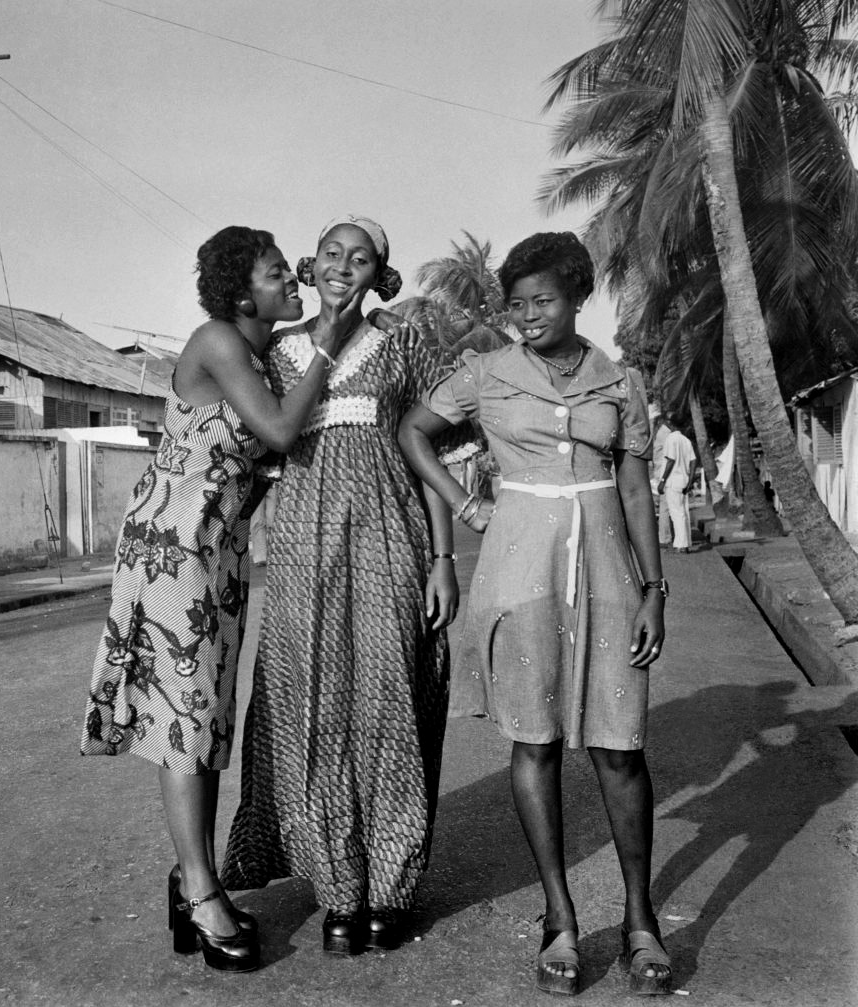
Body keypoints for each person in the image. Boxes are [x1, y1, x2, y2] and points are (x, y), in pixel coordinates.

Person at [79, 226, 365, 973]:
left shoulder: (254, 348)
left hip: (215, 546)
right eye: (278, 272)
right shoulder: (218, 340)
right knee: (185, 719)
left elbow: (297, 367)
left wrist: (351, 314)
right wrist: (330, 343)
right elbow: (276, 427)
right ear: (244, 293)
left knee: (203, 718)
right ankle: (200, 891)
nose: (294, 277)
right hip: (175, 546)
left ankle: (193, 881)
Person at [398, 232, 673, 997]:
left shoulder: (620, 382)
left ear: (578, 295)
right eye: (515, 303)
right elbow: (413, 430)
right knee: (537, 740)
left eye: (542, 300)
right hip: (518, 569)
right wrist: (460, 505)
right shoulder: (485, 374)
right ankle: (560, 917)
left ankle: (641, 918)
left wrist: (655, 589)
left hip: (609, 573)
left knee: (620, 746)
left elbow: (635, 493)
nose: (526, 315)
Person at [221, 215, 458, 956]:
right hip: (298, 546)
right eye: (331, 254)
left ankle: (388, 886)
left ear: (378, 272)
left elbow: (427, 452)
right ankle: (337, 889)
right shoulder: (278, 352)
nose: (342, 267)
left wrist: (444, 558)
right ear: (310, 263)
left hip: (391, 540)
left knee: (386, 699)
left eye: (360, 258)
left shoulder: (402, 342)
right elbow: (245, 443)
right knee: (311, 706)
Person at [657, 416, 697, 554]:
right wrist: (690, 481)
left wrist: (662, 481)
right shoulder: (686, 440)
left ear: (671, 425)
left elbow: (671, 460)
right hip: (684, 480)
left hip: (673, 481)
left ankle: (681, 545)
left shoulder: (671, 439)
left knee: (676, 514)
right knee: (683, 512)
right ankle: (685, 543)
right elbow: (693, 462)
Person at [651, 415, 673, 548]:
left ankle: (664, 536)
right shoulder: (665, 433)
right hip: (664, 473)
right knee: (665, 507)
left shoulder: (658, 433)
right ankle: (664, 537)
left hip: (659, 472)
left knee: (662, 506)